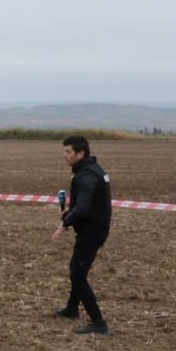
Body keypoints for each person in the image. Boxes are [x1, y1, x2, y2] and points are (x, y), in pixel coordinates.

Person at [52, 135, 113, 335]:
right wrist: (71, 213)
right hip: (95, 228)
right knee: (78, 269)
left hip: (92, 232)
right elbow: (86, 205)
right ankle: (71, 309)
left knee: (77, 273)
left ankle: (98, 322)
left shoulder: (86, 176)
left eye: (68, 152)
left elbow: (84, 208)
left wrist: (65, 223)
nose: (64, 156)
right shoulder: (95, 170)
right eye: (64, 151)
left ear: (81, 153)